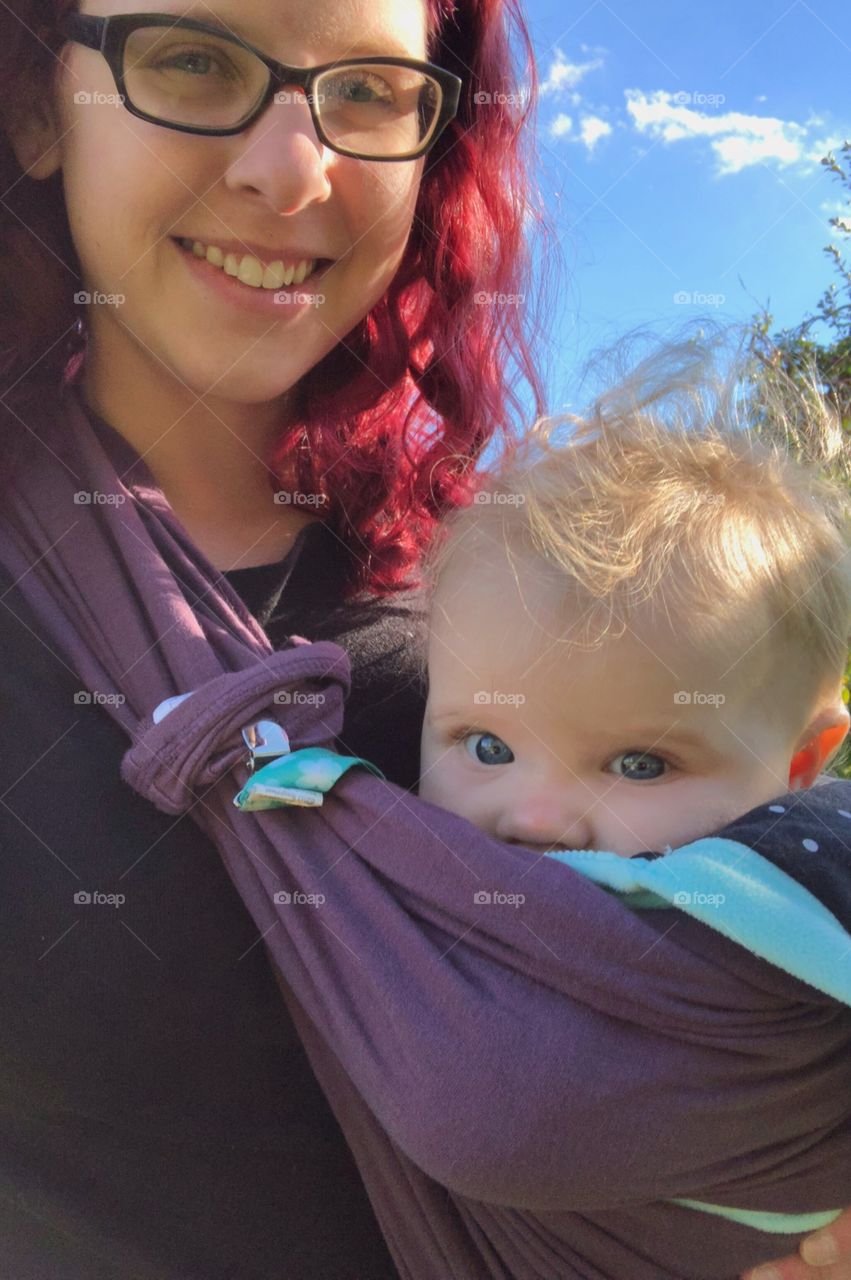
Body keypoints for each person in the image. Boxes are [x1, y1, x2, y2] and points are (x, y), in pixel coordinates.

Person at [0, 0, 848, 1275]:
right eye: (190, 56)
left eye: (367, 91)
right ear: (33, 105)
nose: (290, 170)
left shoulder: (541, 597)